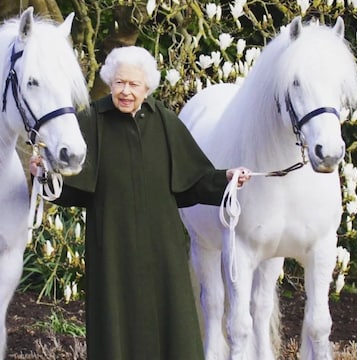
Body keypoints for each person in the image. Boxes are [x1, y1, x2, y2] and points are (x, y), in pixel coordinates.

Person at [30, 46, 251, 360]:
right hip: (112, 251)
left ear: (147, 88)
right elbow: (72, 188)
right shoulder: (91, 120)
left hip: (163, 252)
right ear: (110, 82)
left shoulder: (165, 122)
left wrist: (227, 178)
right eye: (119, 83)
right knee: (115, 327)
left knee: (172, 326)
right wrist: (44, 175)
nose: (125, 91)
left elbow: (193, 180)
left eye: (133, 85)